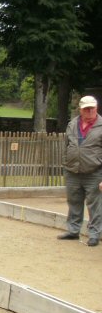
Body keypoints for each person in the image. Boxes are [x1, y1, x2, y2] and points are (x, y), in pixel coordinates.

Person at [58, 95, 102, 247]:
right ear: (80, 110)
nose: (90, 111)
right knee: (74, 201)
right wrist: (66, 162)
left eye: (92, 108)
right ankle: (73, 230)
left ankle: (95, 234)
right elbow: (67, 145)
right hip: (72, 170)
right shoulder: (72, 124)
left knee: (95, 205)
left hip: (95, 171)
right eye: (86, 109)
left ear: (96, 108)